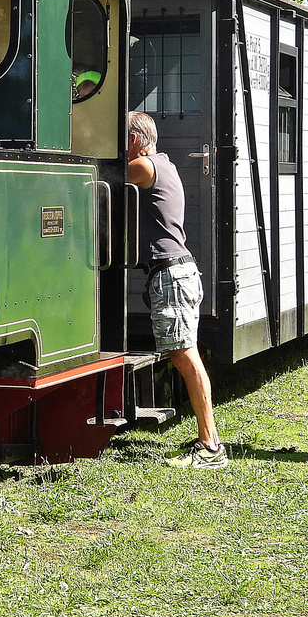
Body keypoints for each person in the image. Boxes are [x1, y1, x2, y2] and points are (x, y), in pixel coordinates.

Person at [127, 112, 226, 469]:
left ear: (136, 141)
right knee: (184, 354)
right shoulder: (163, 164)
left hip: (172, 275)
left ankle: (211, 445)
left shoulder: (144, 167)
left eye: (119, 139)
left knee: (184, 355)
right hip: (176, 272)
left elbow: (95, 179)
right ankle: (209, 439)